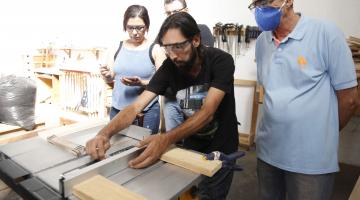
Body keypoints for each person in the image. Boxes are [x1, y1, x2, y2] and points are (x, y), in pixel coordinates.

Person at [87, 12, 238, 200]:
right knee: (190, 193)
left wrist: (165, 139)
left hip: (221, 147)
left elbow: (207, 112)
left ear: (196, 40)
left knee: (213, 195)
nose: (173, 55)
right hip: (191, 145)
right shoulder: (169, 67)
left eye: (179, 46)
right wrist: (104, 133)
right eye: (167, 48)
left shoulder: (221, 61)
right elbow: (135, 107)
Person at [249, 0, 360, 199]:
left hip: (310, 160)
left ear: (289, 1)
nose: (261, 8)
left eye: (267, 1)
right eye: (257, 3)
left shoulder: (325, 33)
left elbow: (349, 99)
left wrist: (323, 133)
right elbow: (270, 90)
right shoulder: (262, 43)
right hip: (268, 152)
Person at [100, 5, 166, 134]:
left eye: (140, 27)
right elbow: (110, 77)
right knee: (116, 150)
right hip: (117, 110)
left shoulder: (155, 49)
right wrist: (106, 74)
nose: (135, 32)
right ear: (125, 26)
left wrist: (141, 82)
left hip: (146, 112)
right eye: (130, 27)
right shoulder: (116, 47)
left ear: (147, 26)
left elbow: (163, 83)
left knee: (143, 151)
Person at [163, 0, 215, 132]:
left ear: (186, 10)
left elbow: (201, 64)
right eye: (168, 13)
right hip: (171, 98)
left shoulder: (202, 30)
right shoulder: (164, 36)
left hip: (194, 96)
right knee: (173, 142)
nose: (171, 16)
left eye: (175, 12)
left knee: (195, 139)